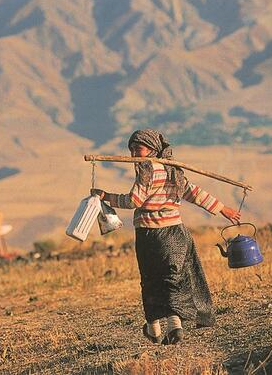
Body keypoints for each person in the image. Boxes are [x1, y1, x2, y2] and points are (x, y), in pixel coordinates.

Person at [91, 129, 240, 345]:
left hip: (150, 234)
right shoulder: (173, 169)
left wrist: (106, 197)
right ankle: (175, 326)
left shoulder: (147, 169)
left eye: (138, 148)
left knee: (151, 279)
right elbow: (193, 192)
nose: (134, 152)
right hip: (177, 235)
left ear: (152, 149)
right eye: (131, 148)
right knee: (174, 279)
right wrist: (223, 208)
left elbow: (134, 201)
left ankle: (154, 329)